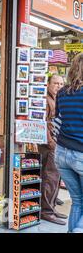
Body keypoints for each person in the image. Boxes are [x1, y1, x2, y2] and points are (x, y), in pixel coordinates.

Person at [54, 52, 83, 233]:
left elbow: (57, 121)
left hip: (61, 153)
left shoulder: (62, 92)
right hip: (80, 154)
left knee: (78, 201)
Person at [39, 74, 67, 225]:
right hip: (49, 145)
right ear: (48, 84)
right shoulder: (45, 100)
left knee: (55, 177)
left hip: (56, 143)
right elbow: (42, 122)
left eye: (61, 84)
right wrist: (51, 142)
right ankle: (46, 211)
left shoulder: (58, 99)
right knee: (50, 178)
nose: (58, 86)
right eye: (55, 83)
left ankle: (51, 207)